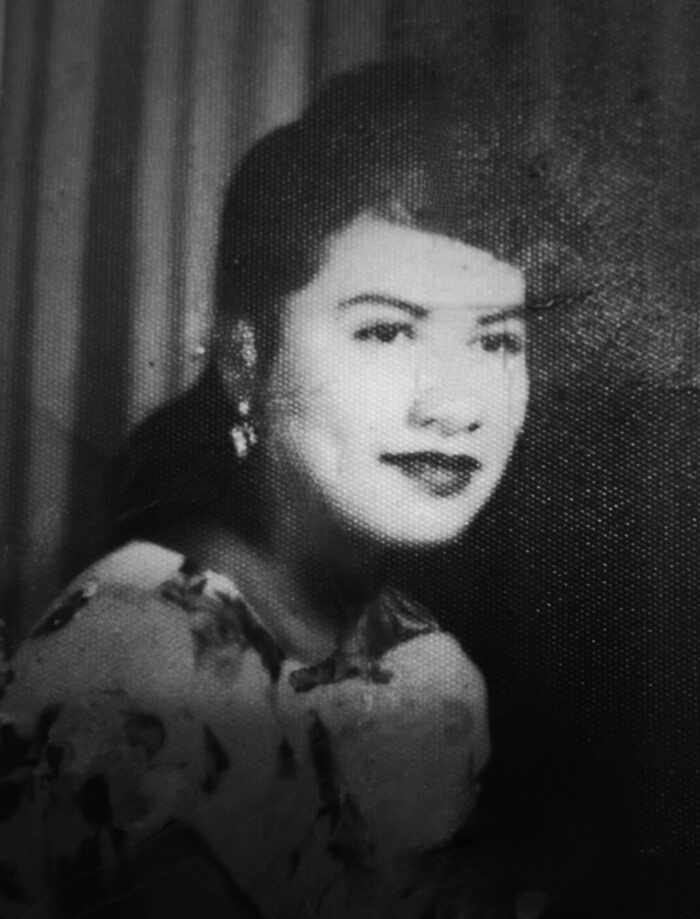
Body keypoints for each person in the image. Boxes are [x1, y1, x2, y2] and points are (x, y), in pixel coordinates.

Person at [0, 59, 547, 917]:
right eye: (386, 330)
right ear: (247, 357)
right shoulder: (135, 658)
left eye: (496, 341)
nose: (455, 406)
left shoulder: (430, 671)